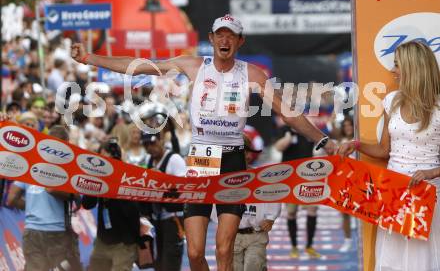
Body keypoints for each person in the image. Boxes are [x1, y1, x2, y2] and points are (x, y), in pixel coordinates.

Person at [72, 14, 336, 271]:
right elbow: (139, 66)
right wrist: (89, 58)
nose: (225, 40)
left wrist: (324, 140)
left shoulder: (252, 75)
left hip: (232, 159)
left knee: (224, 249)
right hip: (201, 159)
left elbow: (287, 113)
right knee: (195, 252)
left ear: (240, 41)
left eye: (231, 36)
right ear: (211, 39)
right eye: (220, 35)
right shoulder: (194, 66)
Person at [339, 41, 440, 271]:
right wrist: (356, 144)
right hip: (393, 193)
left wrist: (431, 172)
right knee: (391, 261)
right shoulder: (392, 100)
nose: (393, 71)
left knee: (423, 260)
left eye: (397, 65)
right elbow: (384, 150)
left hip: (429, 195)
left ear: (413, 67)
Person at [6, 125, 82, 271]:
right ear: (66, 144)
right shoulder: (68, 168)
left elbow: (11, 198)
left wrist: (32, 207)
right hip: (56, 232)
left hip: (31, 232)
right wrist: (64, 193)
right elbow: (65, 193)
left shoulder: (30, 163)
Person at [82, 138, 141, 271]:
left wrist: (114, 180)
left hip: (124, 243)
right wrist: (96, 178)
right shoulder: (98, 176)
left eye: (106, 158)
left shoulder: (128, 176)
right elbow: (87, 204)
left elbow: (133, 210)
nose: (103, 163)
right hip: (103, 241)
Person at [142, 112, 186, 271]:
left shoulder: (174, 160)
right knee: (158, 263)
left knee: (171, 261)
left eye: (152, 144)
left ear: (160, 140)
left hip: (173, 218)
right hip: (156, 218)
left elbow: (185, 190)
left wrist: (163, 180)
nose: (150, 148)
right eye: (146, 145)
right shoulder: (148, 161)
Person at [231, 136, 281, 271]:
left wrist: (271, 218)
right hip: (230, 236)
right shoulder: (221, 180)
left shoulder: (261, 176)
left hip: (256, 234)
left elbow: (273, 194)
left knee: (254, 266)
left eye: (239, 152)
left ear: (248, 154)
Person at [274, 122, 321, 259]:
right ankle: (294, 246)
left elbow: (323, 143)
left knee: (312, 210)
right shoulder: (284, 129)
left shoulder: (309, 129)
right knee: (291, 212)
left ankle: (309, 246)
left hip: (308, 176)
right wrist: (288, 138)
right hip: (290, 178)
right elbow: (278, 147)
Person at [337, 116, 355, 252]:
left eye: (350, 125)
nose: (348, 127)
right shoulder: (340, 142)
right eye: (345, 125)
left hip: (360, 181)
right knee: (344, 213)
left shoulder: (359, 142)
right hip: (344, 182)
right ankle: (348, 241)